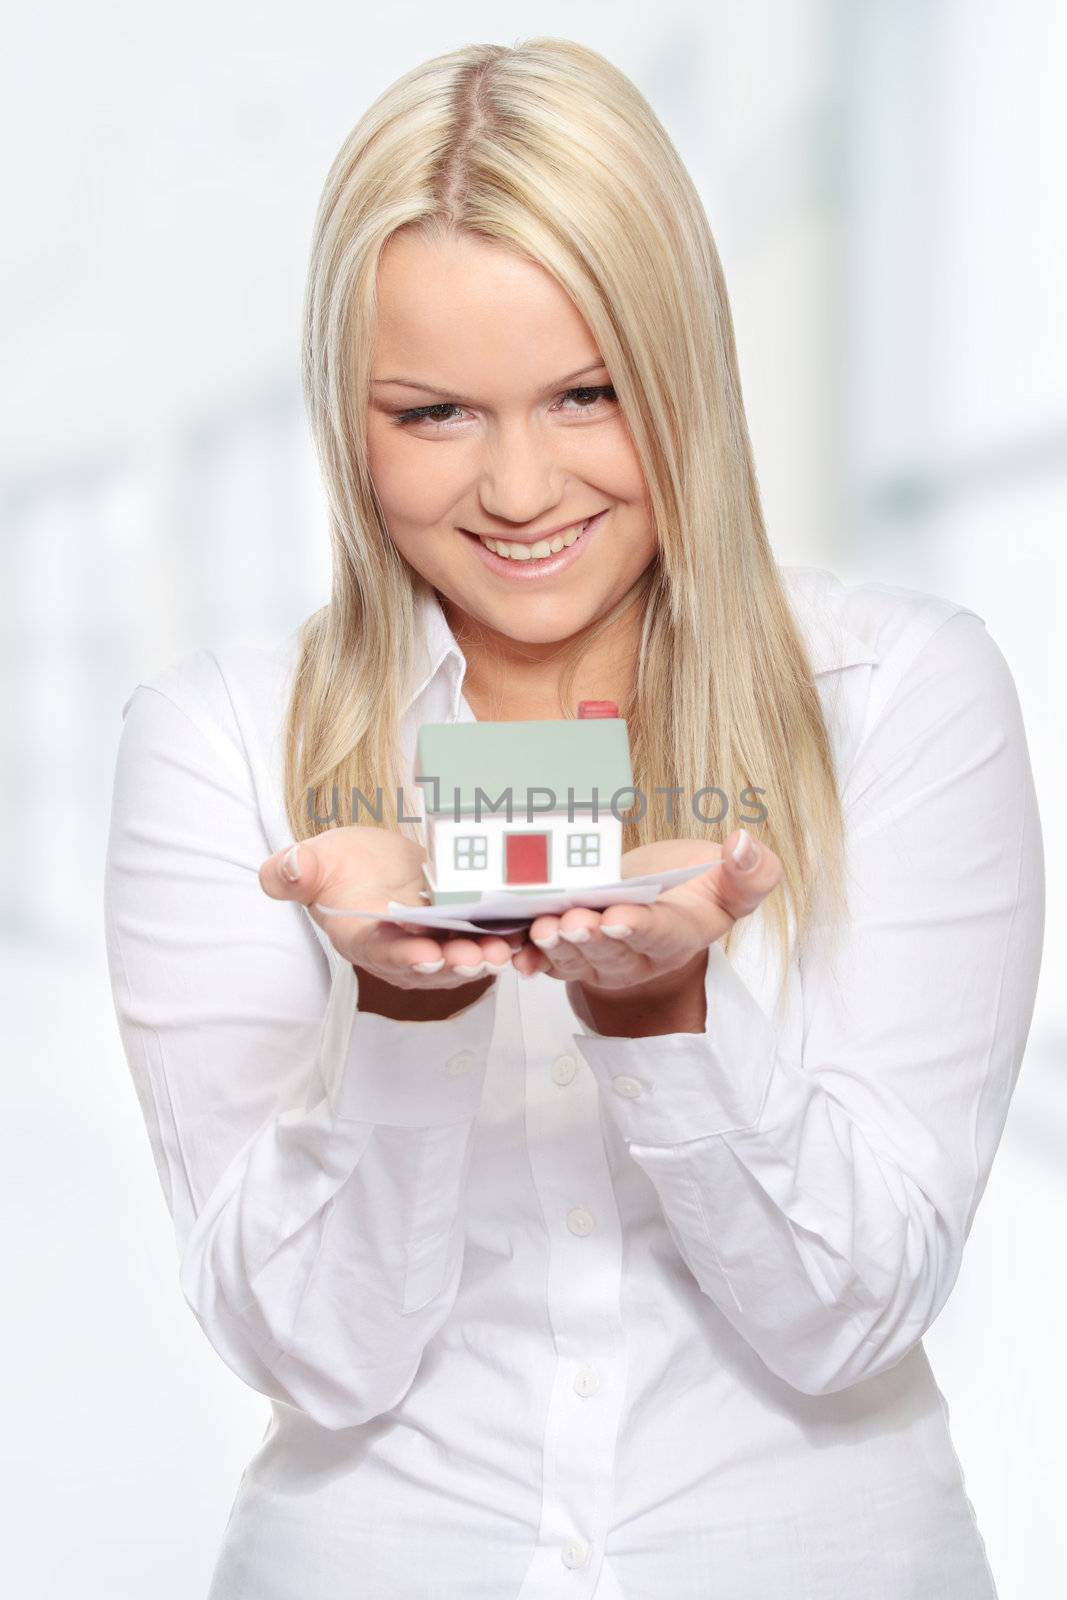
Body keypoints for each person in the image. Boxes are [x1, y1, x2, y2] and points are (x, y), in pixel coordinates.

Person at [103, 37, 1044, 1600]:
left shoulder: (899, 693)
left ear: (685, 370)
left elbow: (855, 1312)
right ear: (347, 421)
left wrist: (665, 1020)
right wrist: (402, 1016)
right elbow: (314, 1358)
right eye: (435, 415)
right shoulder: (219, 744)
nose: (521, 489)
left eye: (588, 394)